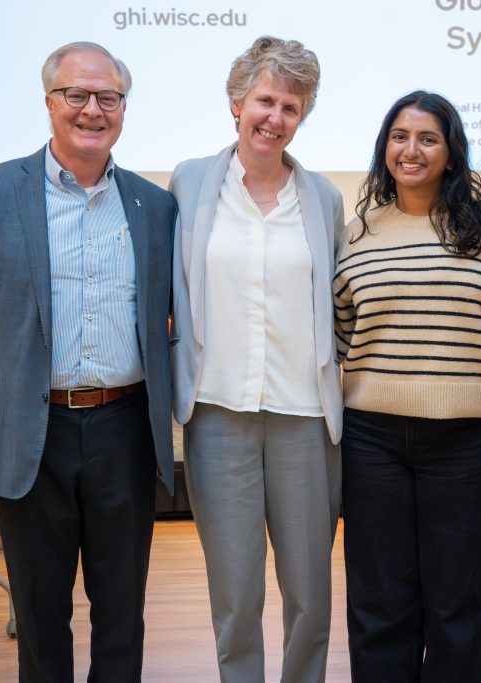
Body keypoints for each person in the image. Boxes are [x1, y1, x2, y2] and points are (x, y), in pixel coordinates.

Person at [0, 42, 176, 683]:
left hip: (124, 429)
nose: (92, 110)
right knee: (40, 610)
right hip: (28, 431)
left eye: (109, 97)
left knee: (121, 610)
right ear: (49, 102)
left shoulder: (157, 207)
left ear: (124, 107)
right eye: (77, 94)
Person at [169, 36, 344, 683]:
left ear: (303, 117)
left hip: (305, 418)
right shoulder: (191, 181)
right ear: (237, 101)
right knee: (236, 595)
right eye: (265, 100)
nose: (275, 117)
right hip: (217, 417)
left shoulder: (323, 199)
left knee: (310, 594)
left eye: (291, 106)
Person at [333, 91, 481, 683]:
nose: (410, 150)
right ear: (385, 146)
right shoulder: (355, 234)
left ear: (451, 151)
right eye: (399, 136)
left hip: (467, 444)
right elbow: (340, 333)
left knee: (460, 604)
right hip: (372, 440)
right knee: (379, 600)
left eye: (428, 138)